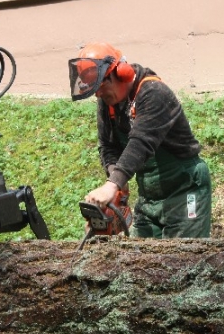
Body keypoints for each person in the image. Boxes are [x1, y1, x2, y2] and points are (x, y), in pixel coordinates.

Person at [68, 42, 211, 238]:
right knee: (139, 258)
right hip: (150, 198)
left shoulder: (153, 93)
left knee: (183, 259)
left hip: (184, 190)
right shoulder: (108, 102)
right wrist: (117, 188)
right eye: (95, 91)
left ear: (121, 73)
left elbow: (141, 142)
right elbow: (108, 146)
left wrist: (112, 185)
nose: (99, 95)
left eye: (101, 87)